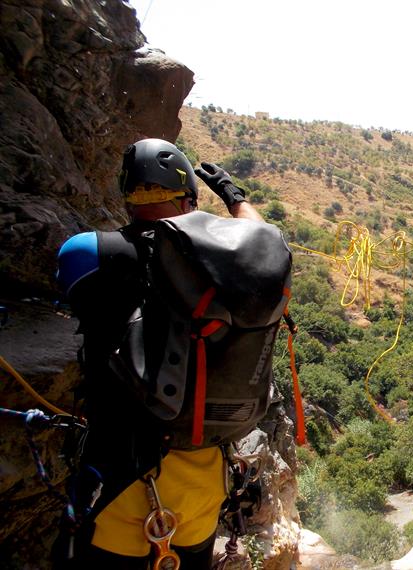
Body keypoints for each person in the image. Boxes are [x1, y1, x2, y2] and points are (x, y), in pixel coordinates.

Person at [54, 138, 264, 569]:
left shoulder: (88, 254)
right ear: (189, 198)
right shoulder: (227, 273)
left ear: (128, 197)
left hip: (123, 479)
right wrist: (234, 197)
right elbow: (262, 244)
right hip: (206, 477)